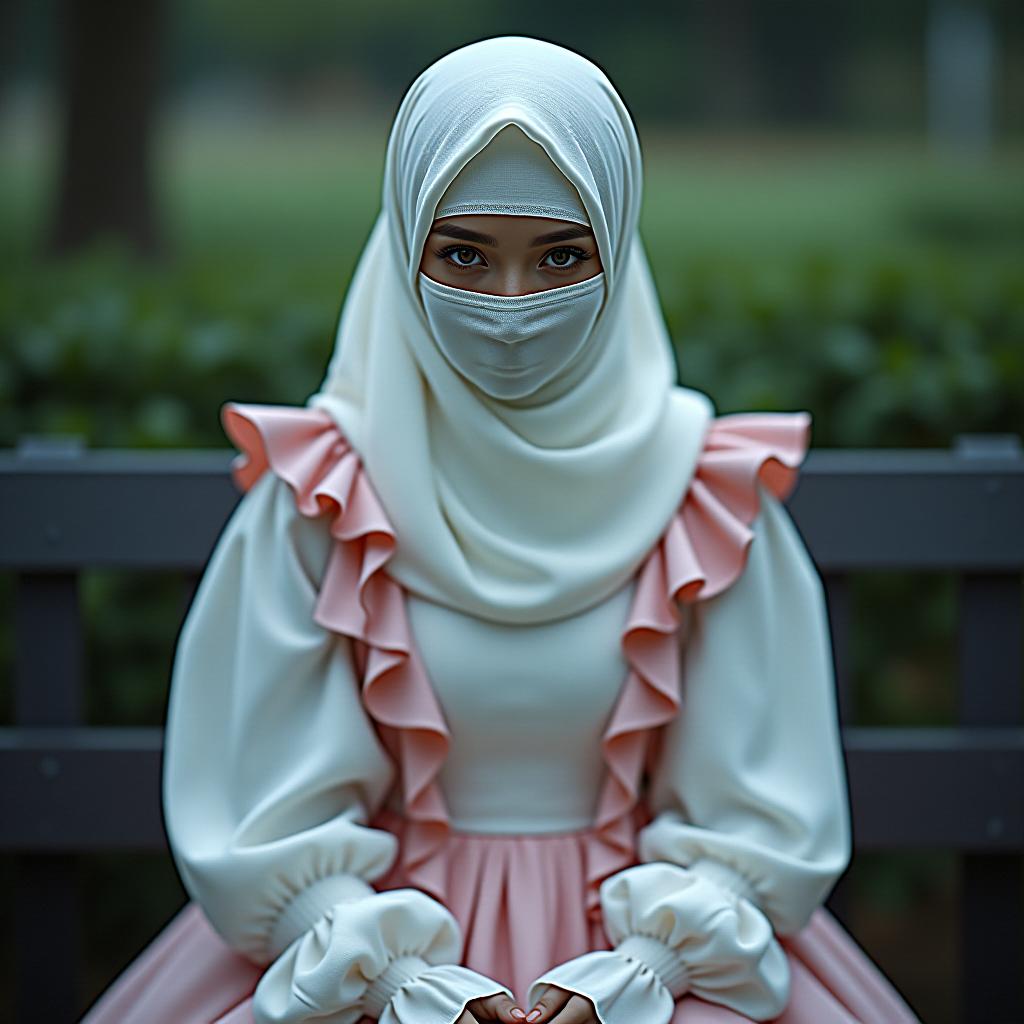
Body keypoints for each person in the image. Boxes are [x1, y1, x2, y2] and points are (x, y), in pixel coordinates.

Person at [82, 36, 922, 1024]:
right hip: (355, 960)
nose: (512, 307)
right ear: (405, 244)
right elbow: (262, 810)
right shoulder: (320, 497)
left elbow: (761, 816)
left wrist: (646, 967)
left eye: (561, 255)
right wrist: (392, 977)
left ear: (617, 242)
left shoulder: (707, 499)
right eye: (464, 255)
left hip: (669, 966)